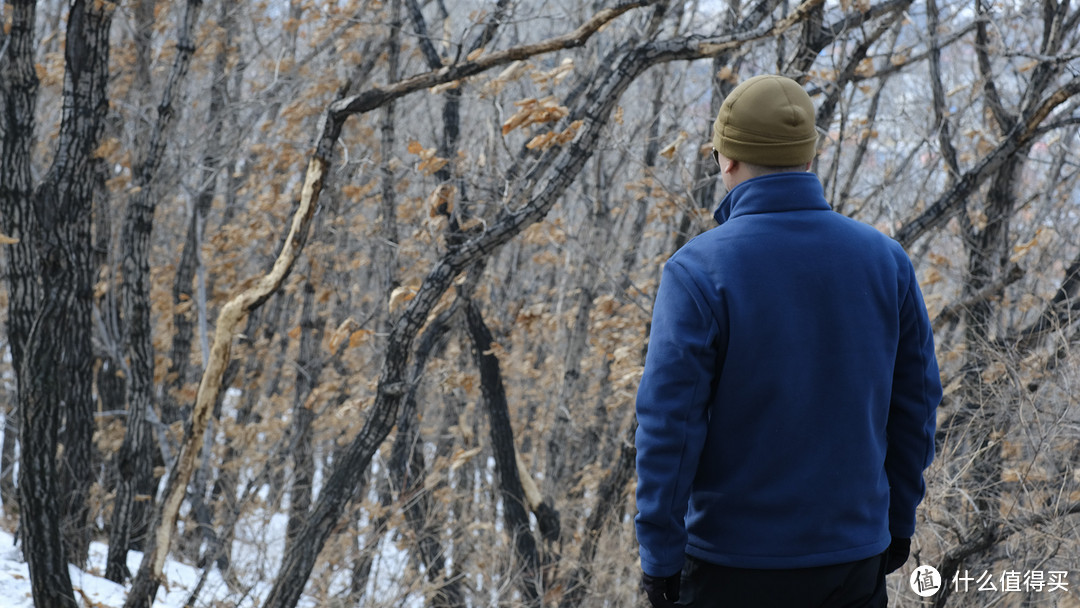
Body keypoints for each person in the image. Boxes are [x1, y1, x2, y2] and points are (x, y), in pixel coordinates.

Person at [634, 74, 942, 607]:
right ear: (808, 158)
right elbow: (915, 406)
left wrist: (660, 555)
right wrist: (894, 523)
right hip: (852, 563)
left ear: (725, 160)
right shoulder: (884, 260)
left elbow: (670, 427)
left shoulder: (699, 271)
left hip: (730, 567)